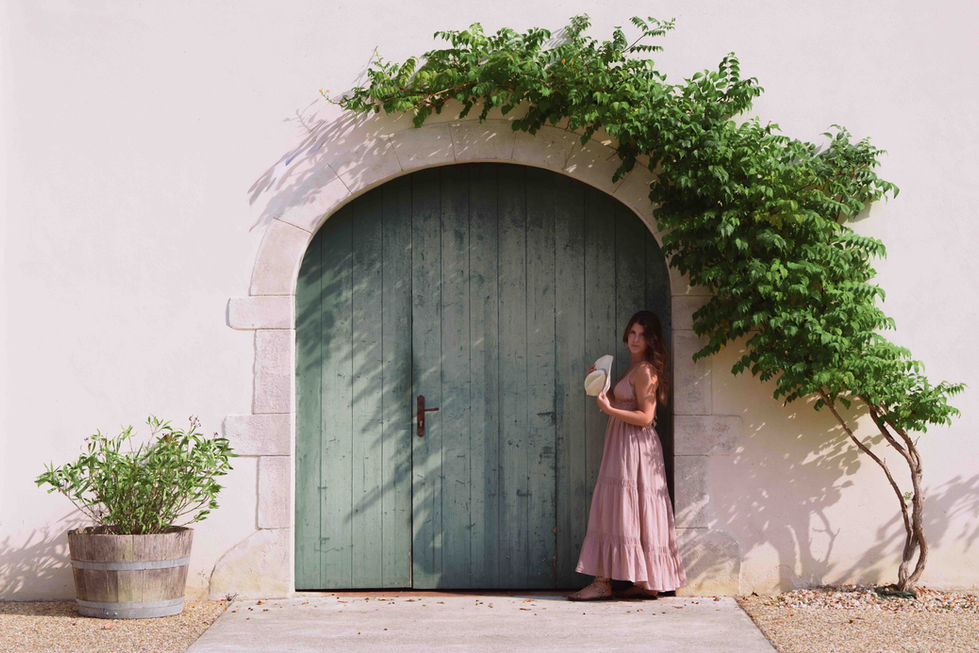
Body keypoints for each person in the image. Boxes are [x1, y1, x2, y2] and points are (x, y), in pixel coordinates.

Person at [568, 310, 687, 600]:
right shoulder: (633, 367)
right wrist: (598, 383)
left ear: (651, 340)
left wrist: (609, 410)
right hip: (623, 443)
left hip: (635, 447)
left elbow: (646, 417)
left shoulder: (645, 371)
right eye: (632, 333)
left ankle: (603, 582)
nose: (635, 339)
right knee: (625, 507)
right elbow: (621, 403)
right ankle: (644, 582)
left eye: (642, 335)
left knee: (621, 505)